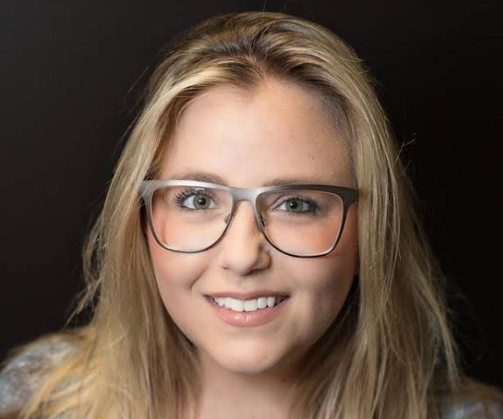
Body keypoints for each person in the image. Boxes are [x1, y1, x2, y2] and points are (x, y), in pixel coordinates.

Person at [0, 10, 502, 419]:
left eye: (296, 204)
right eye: (198, 199)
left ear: (372, 229)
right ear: (139, 220)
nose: (242, 258)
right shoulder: (32, 400)